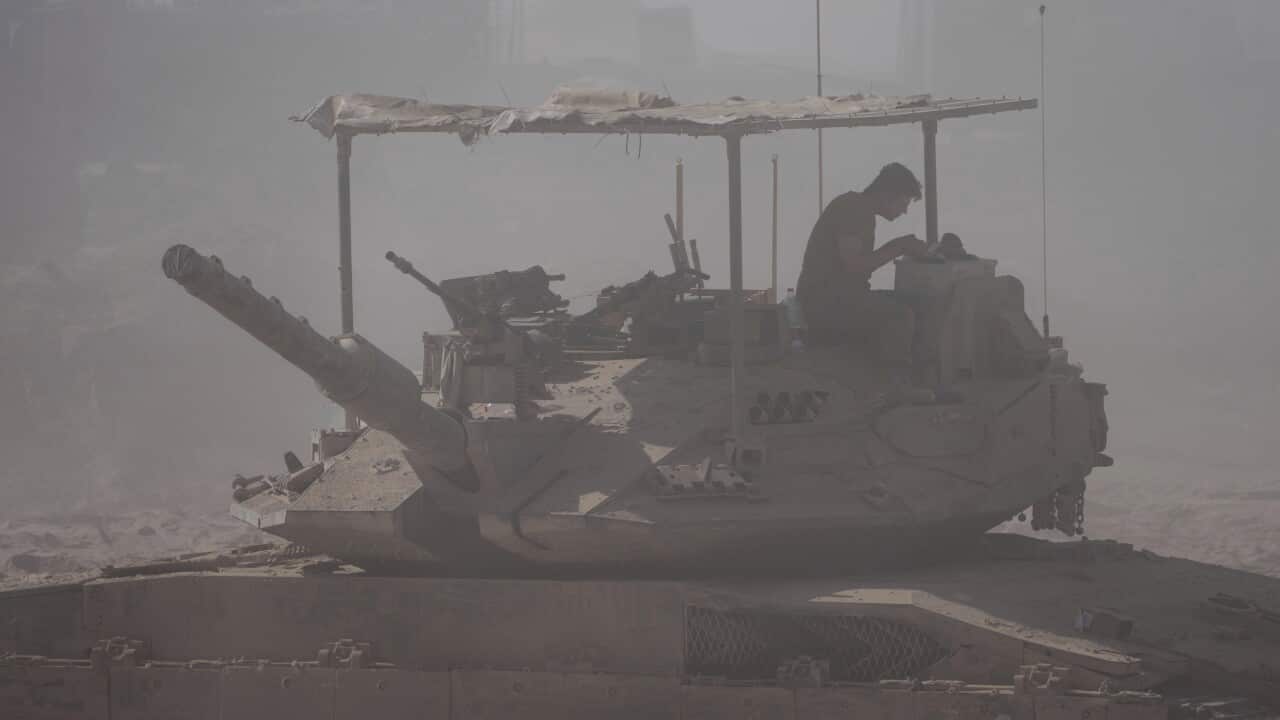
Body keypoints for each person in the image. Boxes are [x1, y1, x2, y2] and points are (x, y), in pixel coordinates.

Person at [796, 162, 929, 365]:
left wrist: (899, 246)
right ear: (887, 194)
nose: (904, 211)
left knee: (918, 303)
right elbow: (854, 265)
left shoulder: (861, 210)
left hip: (837, 297)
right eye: (904, 202)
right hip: (824, 303)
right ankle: (895, 381)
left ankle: (916, 373)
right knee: (899, 316)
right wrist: (899, 247)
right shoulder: (853, 207)